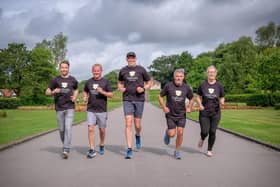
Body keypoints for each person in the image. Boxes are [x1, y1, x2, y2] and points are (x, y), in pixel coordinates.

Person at [118, 51, 151, 159]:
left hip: (139, 99)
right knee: (128, 123)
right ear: (126, 59)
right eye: (129, 58)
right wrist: (121, 88)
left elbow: (149, 82)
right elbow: (119, 82)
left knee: (137, 125)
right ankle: (129, 149)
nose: (131, 60)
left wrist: (144, 88)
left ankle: (137, 135)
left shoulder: (141, 69)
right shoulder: (123, 70)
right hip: (127, 99)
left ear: (135, 58)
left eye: (133, 58)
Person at [158, 68, 195, 159]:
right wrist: (164, 107)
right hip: (170, 114)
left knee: (180, 132)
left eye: (181, 76)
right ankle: (167, 132)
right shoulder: (168, 86)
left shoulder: (186, 87)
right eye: (177, 76)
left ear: (183, 77)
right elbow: (160, 96)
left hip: (181, 114)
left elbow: (192, 98)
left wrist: (189, 107)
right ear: (174, 77)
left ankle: (177, 151)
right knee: (172, 134)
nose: (179, 78)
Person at [46, 60, 79, 159]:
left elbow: (76, 89)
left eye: (66, 67)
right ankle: (65, 144)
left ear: (68, 68)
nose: (64, 69)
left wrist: (75, 97)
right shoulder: (55, 80)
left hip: (70, 107)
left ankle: (66, 149)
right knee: (61, 130)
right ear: (60, 68)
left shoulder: (73, 79)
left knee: (68, 128)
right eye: (62, 67)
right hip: (59, 108)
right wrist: (52, 91)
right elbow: (47, 92)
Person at [83, 64, 113, 158]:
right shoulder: (88, 82)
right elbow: (85, 91)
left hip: (102, 110)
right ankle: (92, 149)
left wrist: (103, 92)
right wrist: (84, 96)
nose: (96, 72)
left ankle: (102, 144)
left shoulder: (105, 82)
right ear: (92, 71)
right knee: (90, 128)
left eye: (98, 70)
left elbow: (111, 95)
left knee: (102, 130)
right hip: (91, 109)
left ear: (101, 71)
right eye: (94, 70)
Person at [196, 65, 225, 157]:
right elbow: (198, 96)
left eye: (213, 72)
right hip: (204, 112)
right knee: (205, 131)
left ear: (216, 73)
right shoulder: (202, 84)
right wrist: (200, 105)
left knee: (212, 131)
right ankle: (202, 138)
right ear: (207, 73)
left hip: (216, 112)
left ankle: (209, 149)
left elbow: (222, 97)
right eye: (210, 72)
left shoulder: (219, 85)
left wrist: (222, 102)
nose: (211, 73)